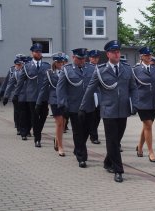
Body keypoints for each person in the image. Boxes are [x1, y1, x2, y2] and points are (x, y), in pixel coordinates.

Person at [79, 40, 138, 182]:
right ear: (108, 54)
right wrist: (82, 107)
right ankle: (118, 170)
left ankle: (107, 162)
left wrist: (134, 104)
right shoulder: (100, 70)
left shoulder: (127, 69)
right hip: (108, 110)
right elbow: (90, 89)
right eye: (114, 52)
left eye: (118, 51)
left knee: (117, 140)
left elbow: (133, 88)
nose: (117, 54)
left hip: (123, 110)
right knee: (112, 140)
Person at [56, 48, 95, 167]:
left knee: (88, 131)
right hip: (74, 106)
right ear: (73, 58)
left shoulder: (92, 68)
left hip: (89, 106)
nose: (82, 61)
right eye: (79, 58)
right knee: (78, 132)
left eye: (83, 58)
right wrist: (62, 104)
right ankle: (81, 156)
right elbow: (60, 88)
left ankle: (78, 147)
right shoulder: (67, 70)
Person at [13, 43, 51, 147]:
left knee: (43, 116)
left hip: (44, 96)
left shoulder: (47, 66)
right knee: (34, 117)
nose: (38, 53)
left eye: (40, 52)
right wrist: (16, 94)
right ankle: (37, 139)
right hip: (32, 96)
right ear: (32, 53)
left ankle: (37, 130)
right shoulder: (27, 66)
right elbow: (20, 81)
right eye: (36, 52)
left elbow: (52, 81)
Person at [132, 47, 155, 162]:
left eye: (150, 55)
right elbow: (132, 87)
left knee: (146, 126)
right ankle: (151, 152)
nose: (149, 57)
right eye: (146, 55)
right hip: (141, 102)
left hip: (153, 102)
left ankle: (139, 148)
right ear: (141, 57)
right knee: (148, 125)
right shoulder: (135, 70)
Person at [36, 52, 66, 156]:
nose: (61, 64)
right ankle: (61, 147)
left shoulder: (66, 71)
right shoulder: (49, 73)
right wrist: (39, 102)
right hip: (54, 100)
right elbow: (44, 88)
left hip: (65, 100)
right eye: (59, 62)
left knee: (63, 123)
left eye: (62, 61)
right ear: (55, 62)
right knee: (59, 122)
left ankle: (57, 140)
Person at [3, 55, 26, 136]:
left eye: (19, 65)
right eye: (17, 65)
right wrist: (6, 96)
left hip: (26, 96)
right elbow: (9, 85)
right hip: (16, 95)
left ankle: (26, 128)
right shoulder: (14, 73)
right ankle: (19, 127)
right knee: (17, 112)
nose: (18, 66)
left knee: (25, 113)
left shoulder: (26, 71)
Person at [87, 50, 101, 145]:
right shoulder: (86, 67)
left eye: (96, 57)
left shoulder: (101, 67)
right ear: (89, 58)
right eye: (93, 57)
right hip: (90, 95)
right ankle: (93, 136)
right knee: (91, 117)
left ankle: (92, 133)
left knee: (98, 117)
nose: (95, 59)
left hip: (99, 95)